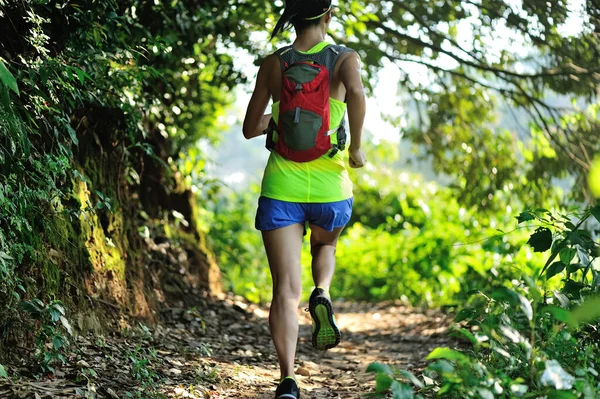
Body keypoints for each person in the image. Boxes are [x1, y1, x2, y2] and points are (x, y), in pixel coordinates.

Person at [242, 1, 366, 397]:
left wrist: (278, 118)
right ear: (327, 16)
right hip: (331, 188)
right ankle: (323, 293)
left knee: (284, 290)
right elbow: (359, 96)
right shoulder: (344, 59)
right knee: (325, 245)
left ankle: (288, 380)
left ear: (291, 18)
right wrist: (357, 150)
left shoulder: (273, 64)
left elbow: (249, 128)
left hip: (282, 188)